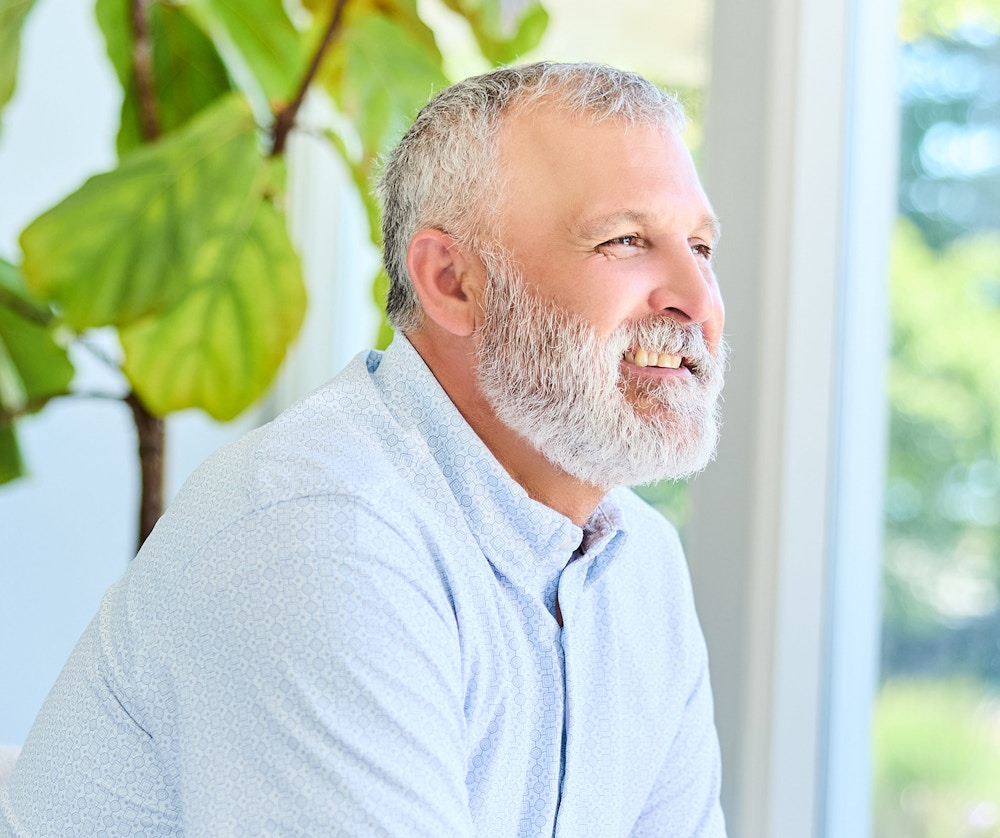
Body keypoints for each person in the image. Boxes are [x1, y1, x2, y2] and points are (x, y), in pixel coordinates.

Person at [1, 62, 728, 836]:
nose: (698, 300)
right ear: (452, 282)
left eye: (701, 248)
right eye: (624, 241)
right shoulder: (321, 535)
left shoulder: (642, 564)